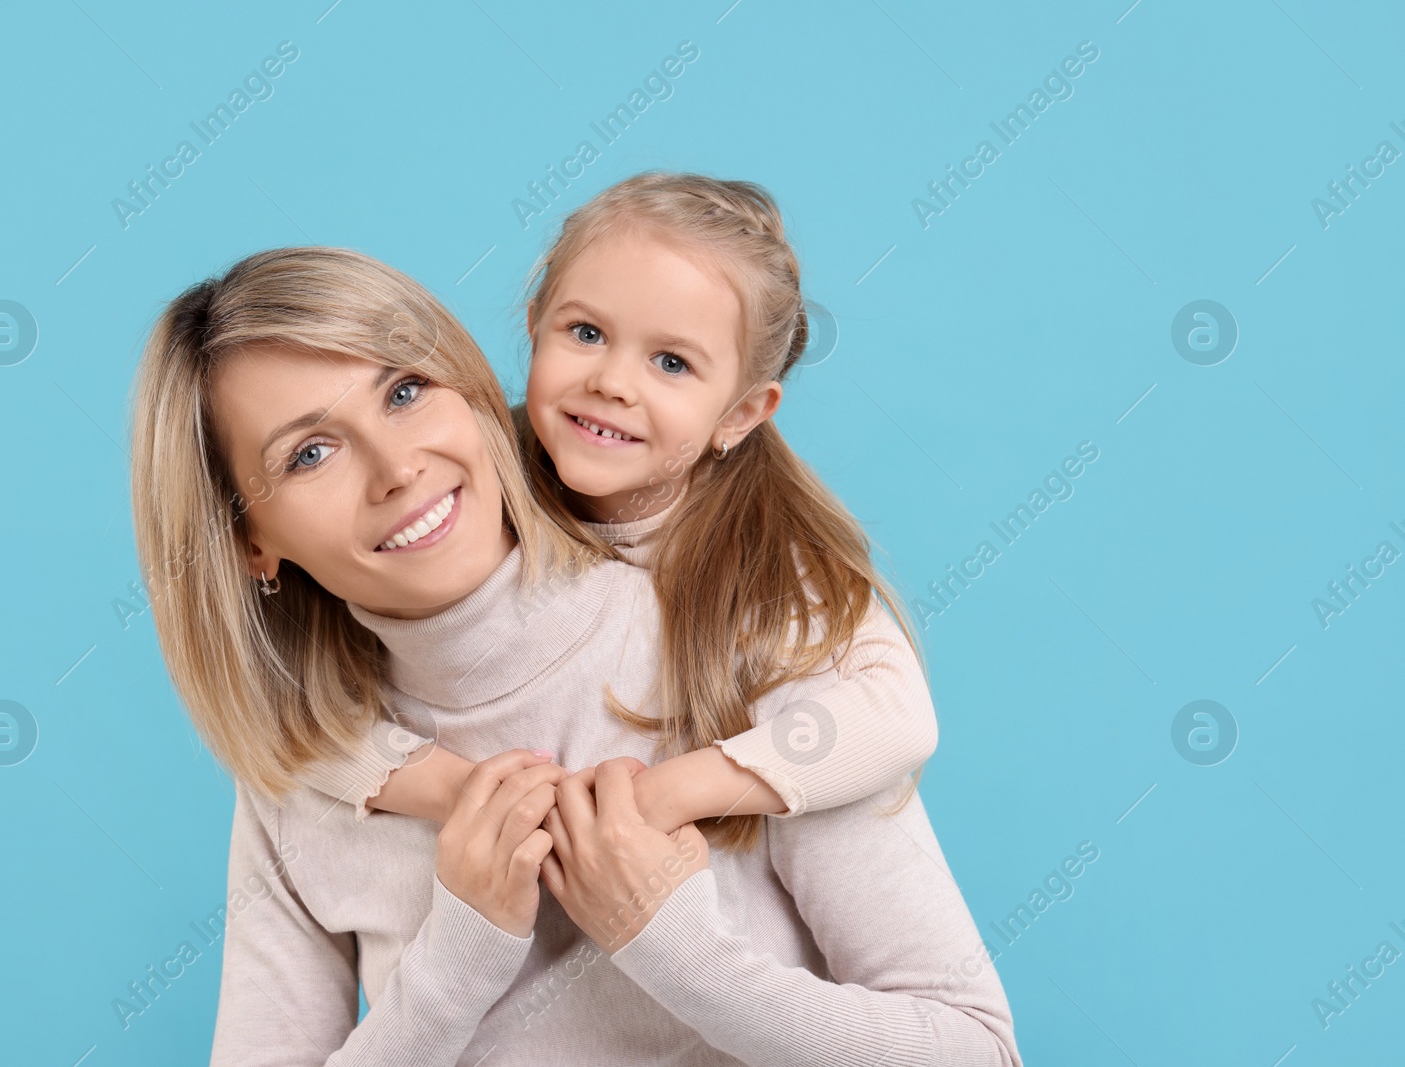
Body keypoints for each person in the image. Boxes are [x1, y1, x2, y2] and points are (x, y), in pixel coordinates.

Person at [129, 245, 1020, 1065]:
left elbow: (976, 1050)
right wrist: (456, 960)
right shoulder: (305, 771)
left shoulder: (736, 643)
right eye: (311, 452)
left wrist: (675, 946)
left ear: (470, 389)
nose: (397, 466)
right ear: (248, 542)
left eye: (404, 391)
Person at [310, 174, 939, 861]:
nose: (612, 381)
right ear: (533, 327)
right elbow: (296, 730)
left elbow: (900, 715)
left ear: (740, 414)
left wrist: (674, 791)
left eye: (671, 362)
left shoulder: (761, 559)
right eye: (586, 332)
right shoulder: (465, 499)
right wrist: (465, 791)